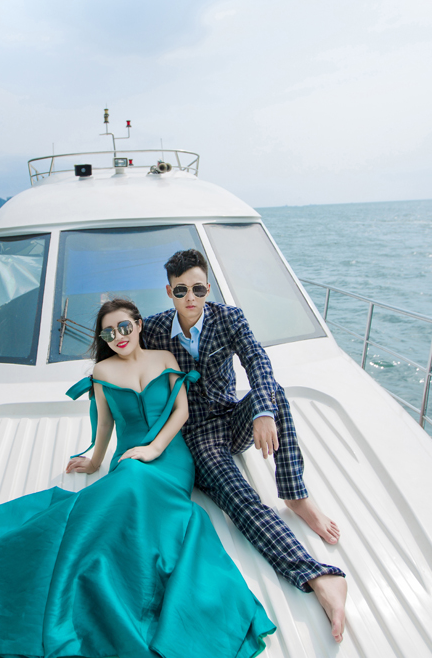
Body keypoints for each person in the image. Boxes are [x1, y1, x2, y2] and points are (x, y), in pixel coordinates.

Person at [0, 298, 275, 658]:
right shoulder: (103, 372)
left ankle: (99, 569)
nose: (119, 337)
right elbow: (105, 426)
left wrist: (154, 449)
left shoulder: (165, 358)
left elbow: (180, 412)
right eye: (109, 333)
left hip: (171, 459)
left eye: (124, 327)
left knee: (131, 488)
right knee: (120, 488)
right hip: (129, 459)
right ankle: (73, 575)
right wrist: (94, 460)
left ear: (139, 325)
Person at [141, 249, 348, 643]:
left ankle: (295, 495)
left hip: (231, 416)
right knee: (242, 500)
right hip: (198, 435)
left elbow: (257, 360)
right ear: (169, 292)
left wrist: (263, 411)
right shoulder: (153, 329)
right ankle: (317, 576)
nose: (190, 298)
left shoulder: (228, 318)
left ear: (208, 288)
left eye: (198, 289)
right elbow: (121, 347)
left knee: (273, 393)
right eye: (181, 290)